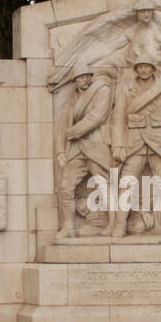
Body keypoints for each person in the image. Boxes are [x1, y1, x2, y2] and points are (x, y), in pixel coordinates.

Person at [110, 55, 161, 237]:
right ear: (136, 69)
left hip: (160, 142)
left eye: (147, 66)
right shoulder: (126, 88)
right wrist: (118, 145)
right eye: (140, 67)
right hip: (134, 142)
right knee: (126, 183)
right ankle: (120, 225)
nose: (143, 70)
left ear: (152, 68)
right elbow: (118, 119)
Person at [56, 66, 114, 238]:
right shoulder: (72, 102)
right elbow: (62, 128)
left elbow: (97, 117)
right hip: (76, 148)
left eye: (87, 76)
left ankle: (114, 224)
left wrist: (74, 131)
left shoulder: (102, 92)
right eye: (80, 78)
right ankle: (68, 227)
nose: (84, 80)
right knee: (65, 187)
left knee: (104, 186)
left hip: (96, 144)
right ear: (75, 81)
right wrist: (60, 151)